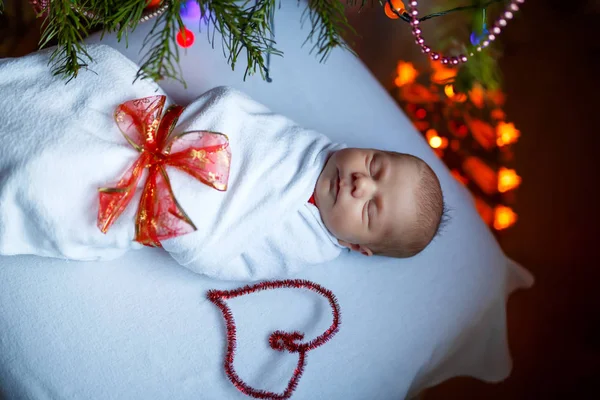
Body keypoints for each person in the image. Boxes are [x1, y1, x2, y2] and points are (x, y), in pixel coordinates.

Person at [0, 45, 444, 281]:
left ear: (355, 246)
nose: (360, 184)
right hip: (159, 124)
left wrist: (178, 217)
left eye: (370, 209)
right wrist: (187, 142)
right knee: (95, 74)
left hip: (150, 201)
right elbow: (232, 110)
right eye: (375, 166)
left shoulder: (302, 246)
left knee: (51, 182)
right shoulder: (310, 148)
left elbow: (221, 258)